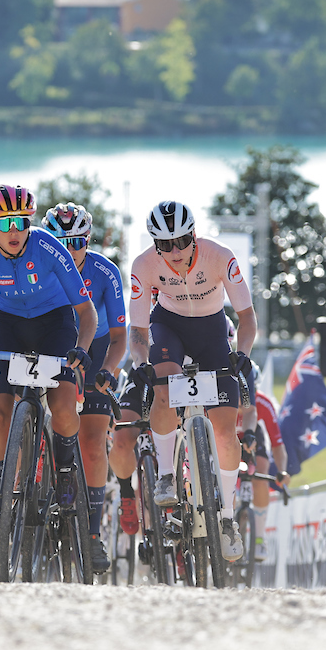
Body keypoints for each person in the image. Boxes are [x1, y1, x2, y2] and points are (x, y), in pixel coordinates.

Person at [0, 185, 97, 548]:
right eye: (4, 222)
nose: (13, 230)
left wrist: (82, 350)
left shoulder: (50, 247)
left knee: (65, 405)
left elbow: (86, 313)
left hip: (54, 323)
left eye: (21, 221)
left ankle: (65, 469)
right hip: (6, 326)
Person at [128, 201, 257, 562]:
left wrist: (242, 354)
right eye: (164, 245)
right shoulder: (143, 265)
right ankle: (167, 475)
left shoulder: (220, 256)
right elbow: (138, 330)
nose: (175, 252)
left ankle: (228, 517)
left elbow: (247, 319)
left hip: (213, 331)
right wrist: (140, 362)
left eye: (182, 241)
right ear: (155, 245)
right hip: (168, 325)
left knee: (225, 431)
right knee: (164, 389)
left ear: (194, 235)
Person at [41, 202, 128, 572]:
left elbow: (122, 338)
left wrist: (108, 369)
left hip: (97, 348)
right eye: (59, 240)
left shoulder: (105, 271)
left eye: (77, 241)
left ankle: (92, 535)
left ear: (88, 240)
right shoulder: (37, 263)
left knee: (92, 444)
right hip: (50, 342)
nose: (68, 248)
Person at [236, 372, 290, 562]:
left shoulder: (262, 403)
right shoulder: (223, 400)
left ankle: (259, 538)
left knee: (261, 475)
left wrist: (282, 471)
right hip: (227, 438)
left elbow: (277, 444)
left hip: (253, 440)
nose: (244, 400)